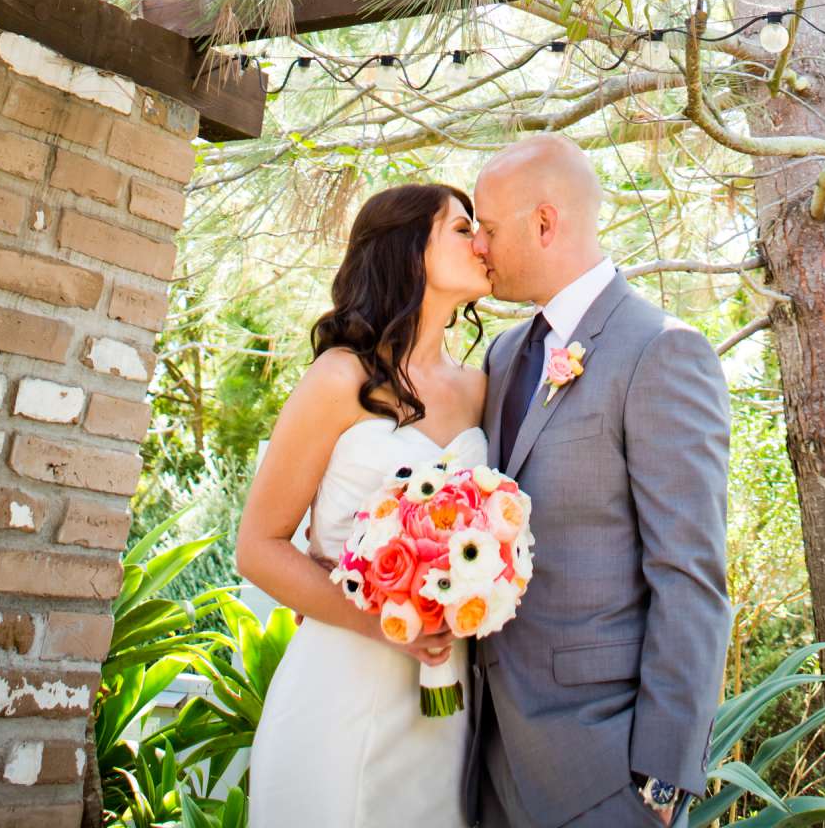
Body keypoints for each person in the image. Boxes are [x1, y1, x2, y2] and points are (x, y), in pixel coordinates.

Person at [467, 135, 732, 828]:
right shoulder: (500, 354)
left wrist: (659, 783)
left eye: (488, 229)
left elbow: (691, 575)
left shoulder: (662, 350)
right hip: (483, 757)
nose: (478, 247)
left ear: (545, 223)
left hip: (602, 770)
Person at [238, 181, 492, 828]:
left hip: (449, 689)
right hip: (342, 678)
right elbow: (259, 548)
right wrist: (384, 625)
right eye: (463, 229)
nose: (481, 241)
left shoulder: (481, 388)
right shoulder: (339, 379)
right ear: (409, 250)